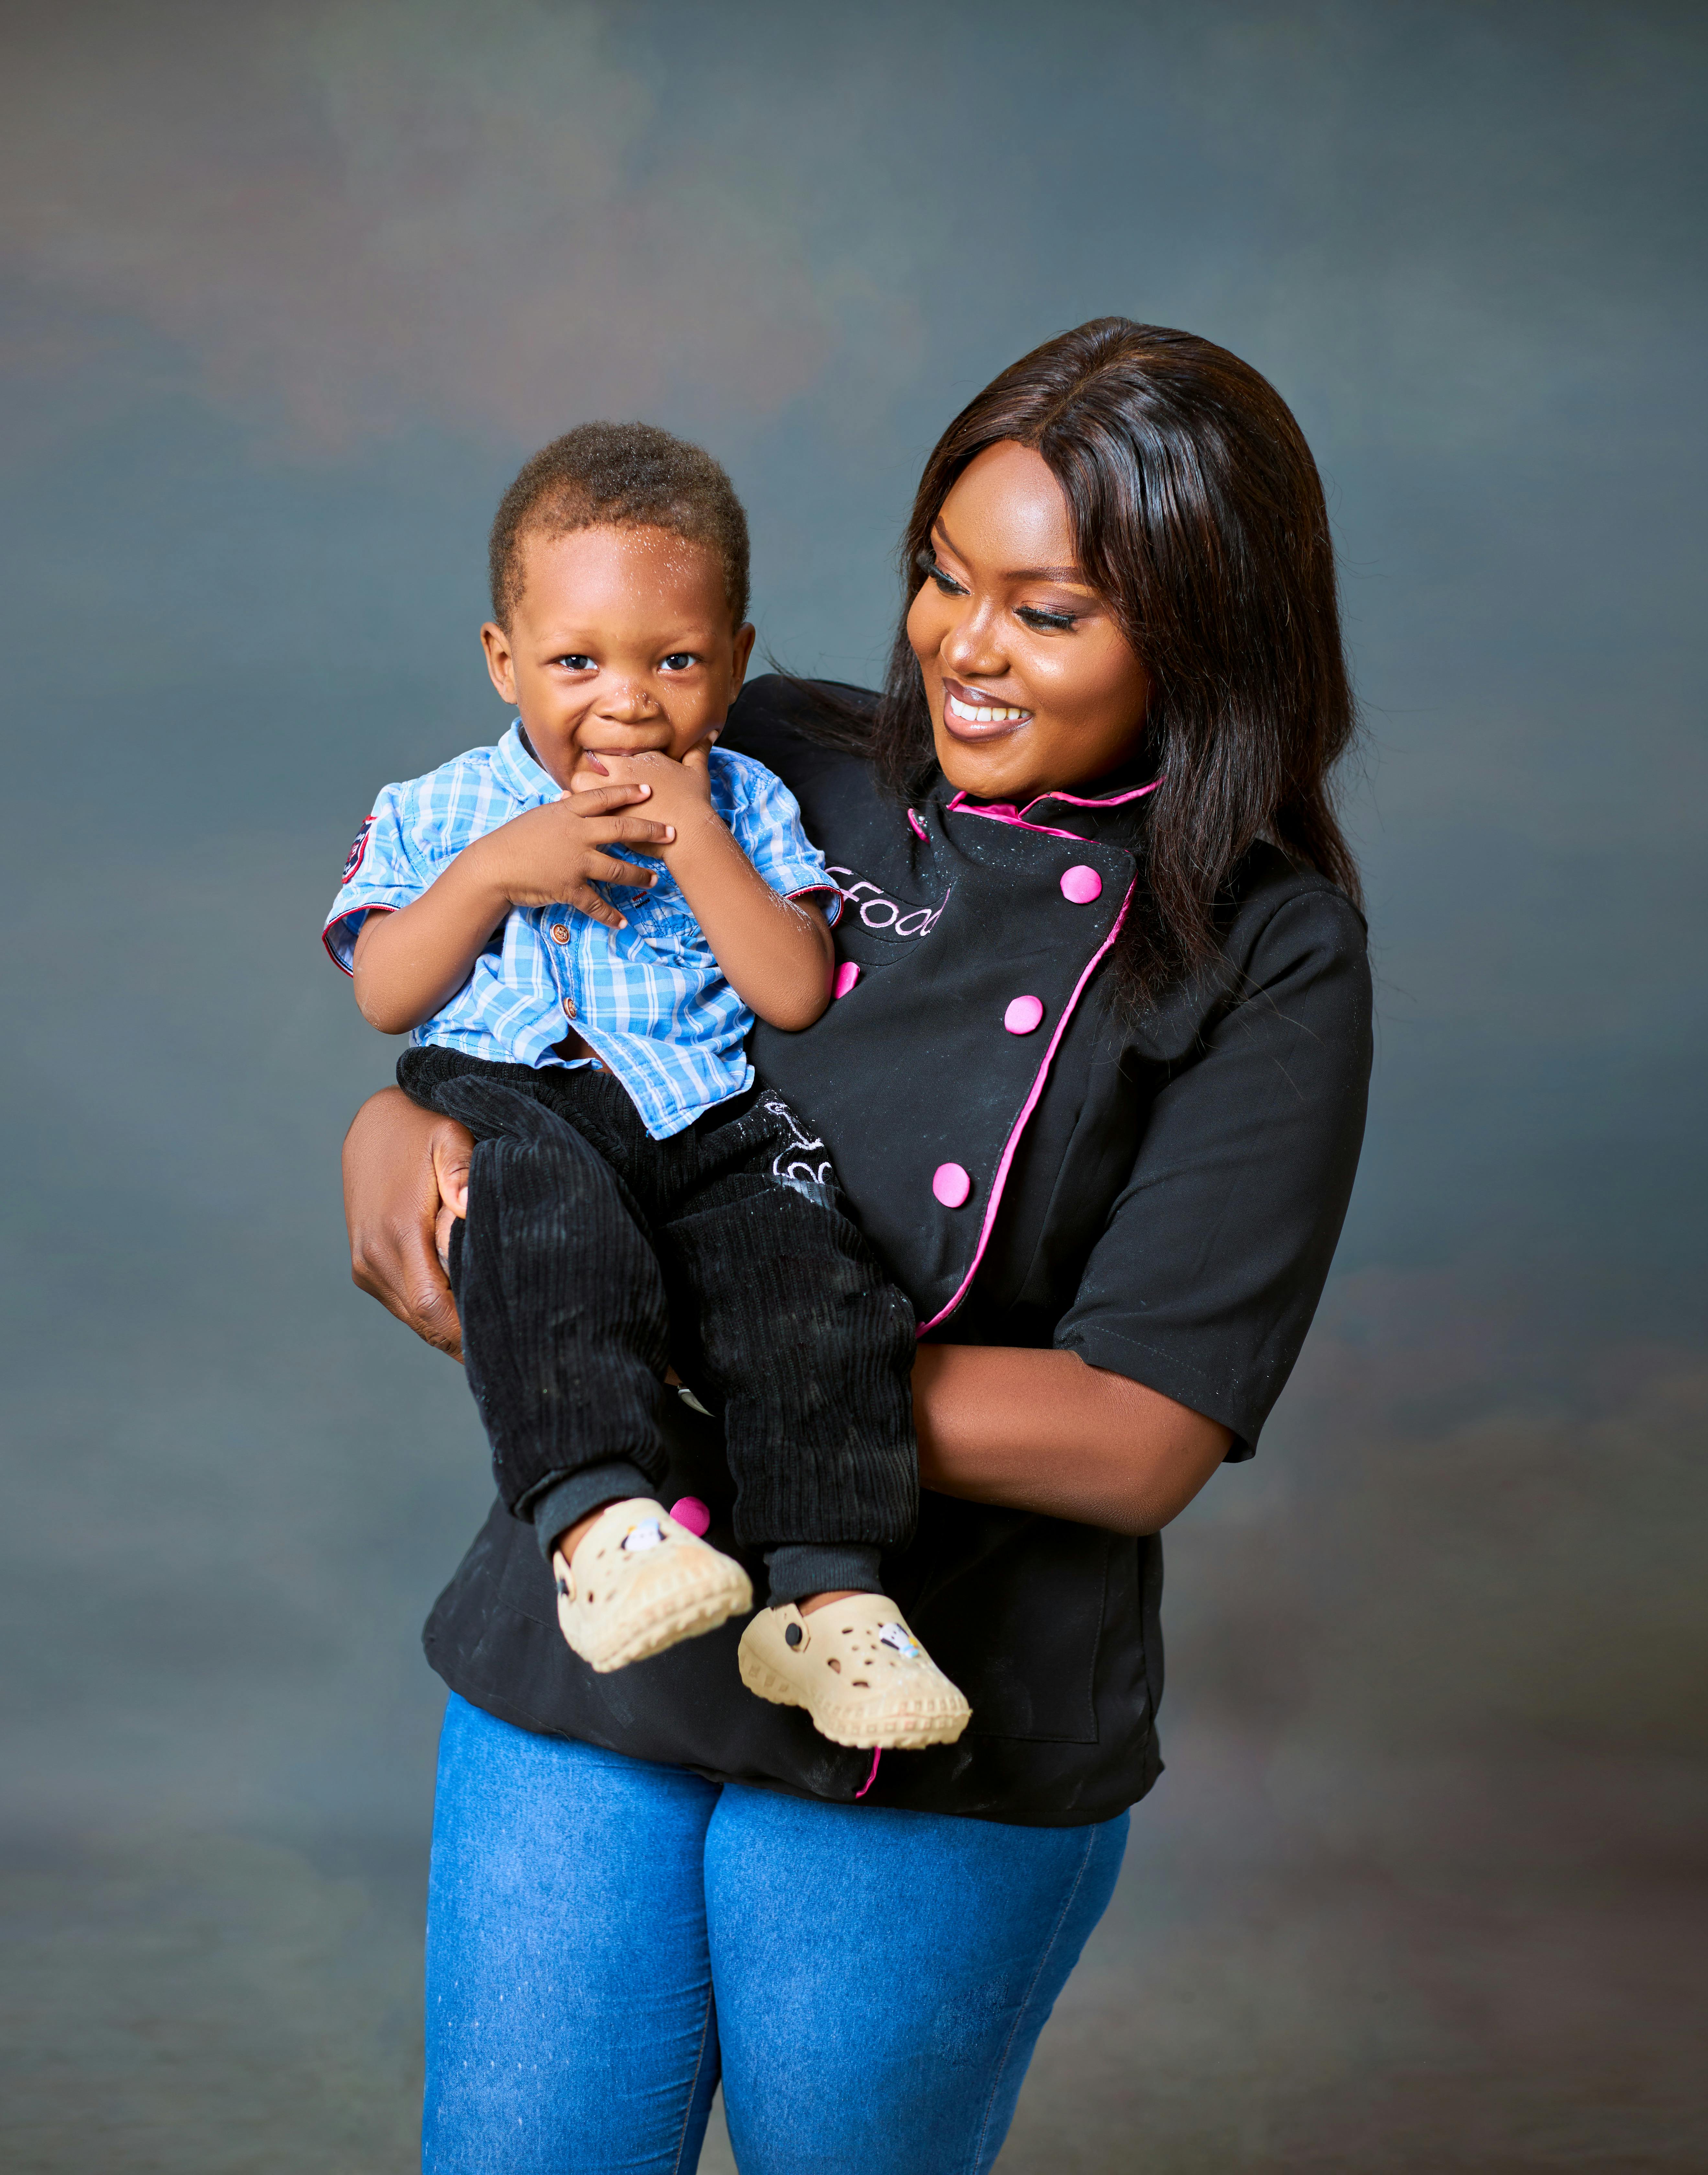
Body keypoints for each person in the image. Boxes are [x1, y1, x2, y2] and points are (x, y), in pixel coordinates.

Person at [342, 319, 1374, 2175]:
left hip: (942, 1683)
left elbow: (1140, 1435)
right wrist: (403, 1112)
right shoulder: (763, 748)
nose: (963, 650)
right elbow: (512, 926)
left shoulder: (1263, 950)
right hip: (603, 1614)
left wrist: (720, 1380)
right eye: (942, 579)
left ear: (1208, 638)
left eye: (1047, 614)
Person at [324, 421, 969, 1750]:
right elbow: (387, 988)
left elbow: (791, 988)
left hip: (700, 1117)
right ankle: (598, 1524)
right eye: (576, 663)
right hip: (519, 1091)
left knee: (820, 1284)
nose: (626, 702)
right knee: (552, 1222)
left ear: (734, 663)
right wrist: (499, 870)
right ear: (506, 661)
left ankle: (829, 1602)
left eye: (674, 661)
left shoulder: (748, 802)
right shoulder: (442, 808)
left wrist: (702, 837)